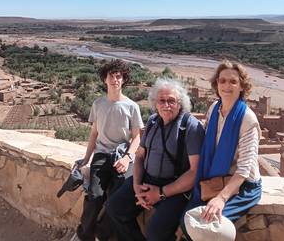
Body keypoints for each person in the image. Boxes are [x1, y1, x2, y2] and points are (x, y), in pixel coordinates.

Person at [106, 78, 205, 241]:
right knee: (115, 208)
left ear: (180, 103)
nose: (166, 105)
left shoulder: (191, 127)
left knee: (156, 233)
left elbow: (195, 172)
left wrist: (160, 193)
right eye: (162, 101)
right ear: (155, 103)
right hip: (146, 181)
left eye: (171, 101)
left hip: (176, 188)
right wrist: (137, 186)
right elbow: (139, 156)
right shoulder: (153, 122)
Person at [182, 60, 262, 240]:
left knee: (210, 224)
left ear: (242, 86)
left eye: (233, 81)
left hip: (241, 185)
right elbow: (208, 140)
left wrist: (221, 198)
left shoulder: (247, 119)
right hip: (215, 178)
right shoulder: (214, 108)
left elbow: (244, 169)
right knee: (186, 222)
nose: (227, 86)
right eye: (222, 81)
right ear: (216, 83)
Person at [72, 59, 144, 241]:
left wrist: (128, 158)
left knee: (117, 200)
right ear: (105, 80)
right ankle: (85, 235)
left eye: (118, 76)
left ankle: (102, 235)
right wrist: (87, 158)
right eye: (111, 76)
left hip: (122, 157)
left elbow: (137, 137)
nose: (115, 80)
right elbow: (94, 133)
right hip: (102, 156)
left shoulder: (132, 107)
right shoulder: (98, 104)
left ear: (123, 80)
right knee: (95, 196)